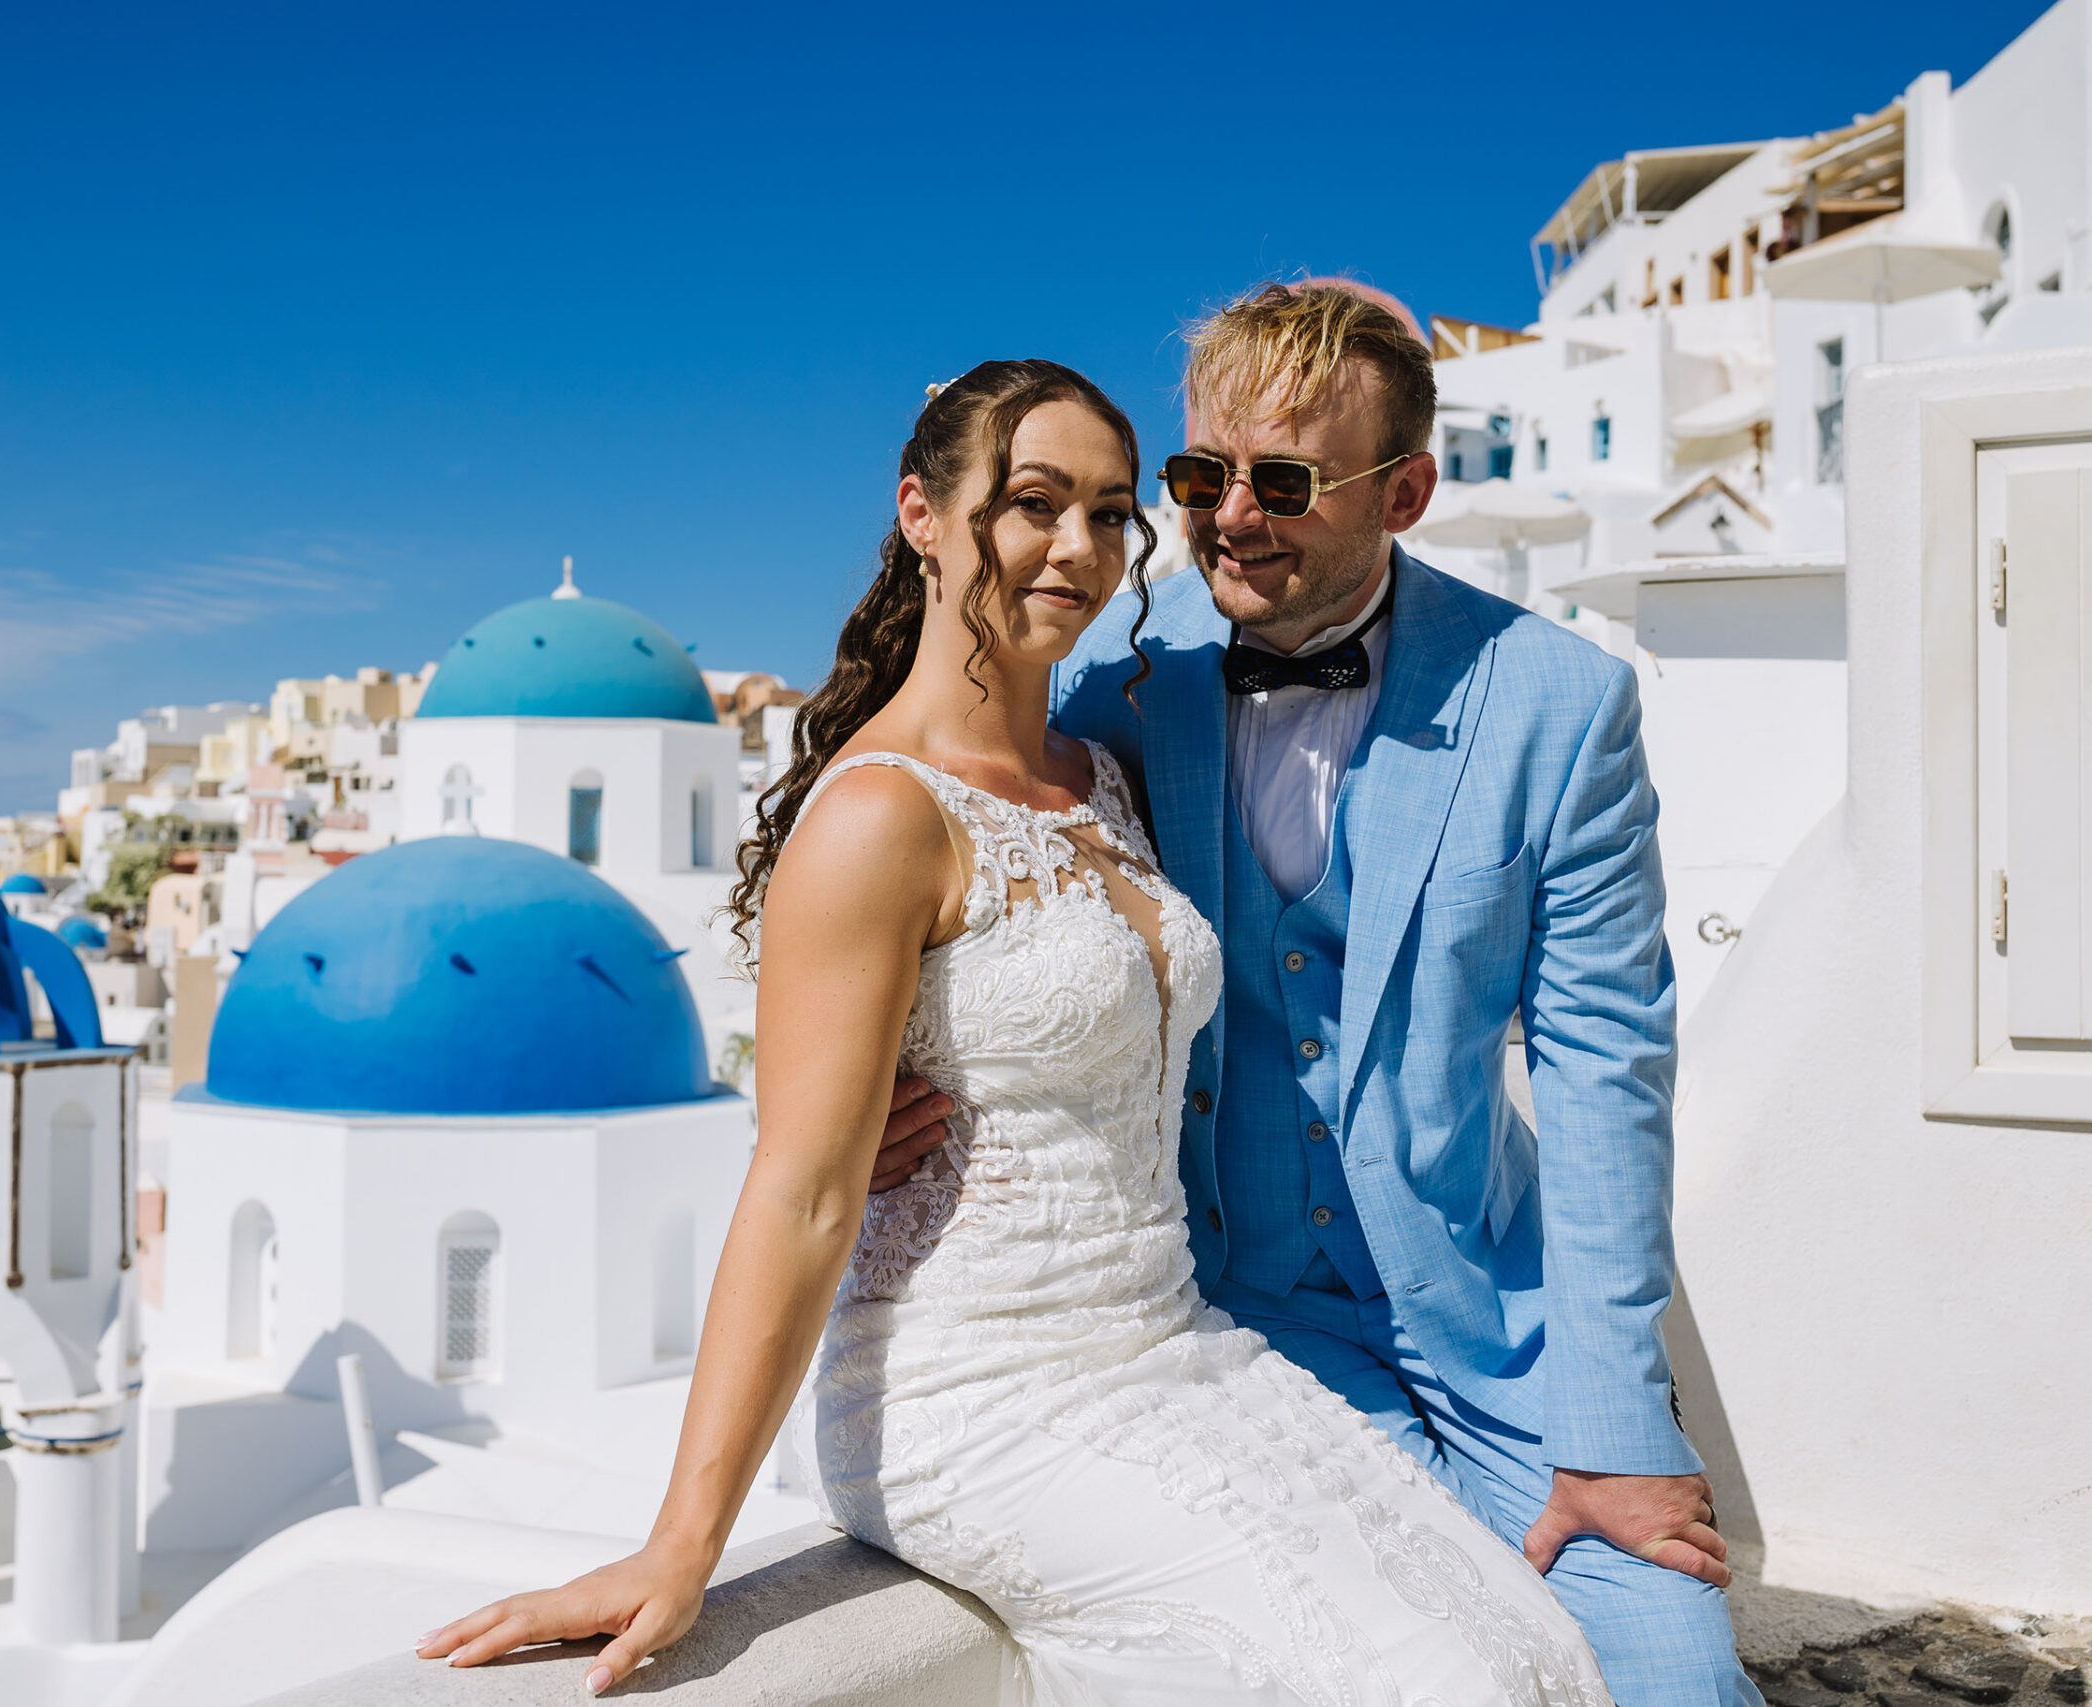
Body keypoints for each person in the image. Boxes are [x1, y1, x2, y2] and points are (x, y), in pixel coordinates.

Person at [419, 359, 1613, 1703]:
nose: (1081, 547)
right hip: (977, 1393)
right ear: (923, 514)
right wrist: (680, 1543)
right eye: (1033, 500)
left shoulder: (1100, 770)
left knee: (1521, 1641)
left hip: (1171, 1348)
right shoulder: (876, 818)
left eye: (1111, 511)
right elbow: (804, 1188)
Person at [983, 280, 1739, 1706]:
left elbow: (1603, 1077)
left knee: (1676, 1672)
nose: (1230, 516)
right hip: (1233, 1323)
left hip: (1493, 1321)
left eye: (1284, 481)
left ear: (1405, 492)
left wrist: (1614, 1423)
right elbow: (975, 882)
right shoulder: (1113, 691)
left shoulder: (1558, 704)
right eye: (1204, 476)